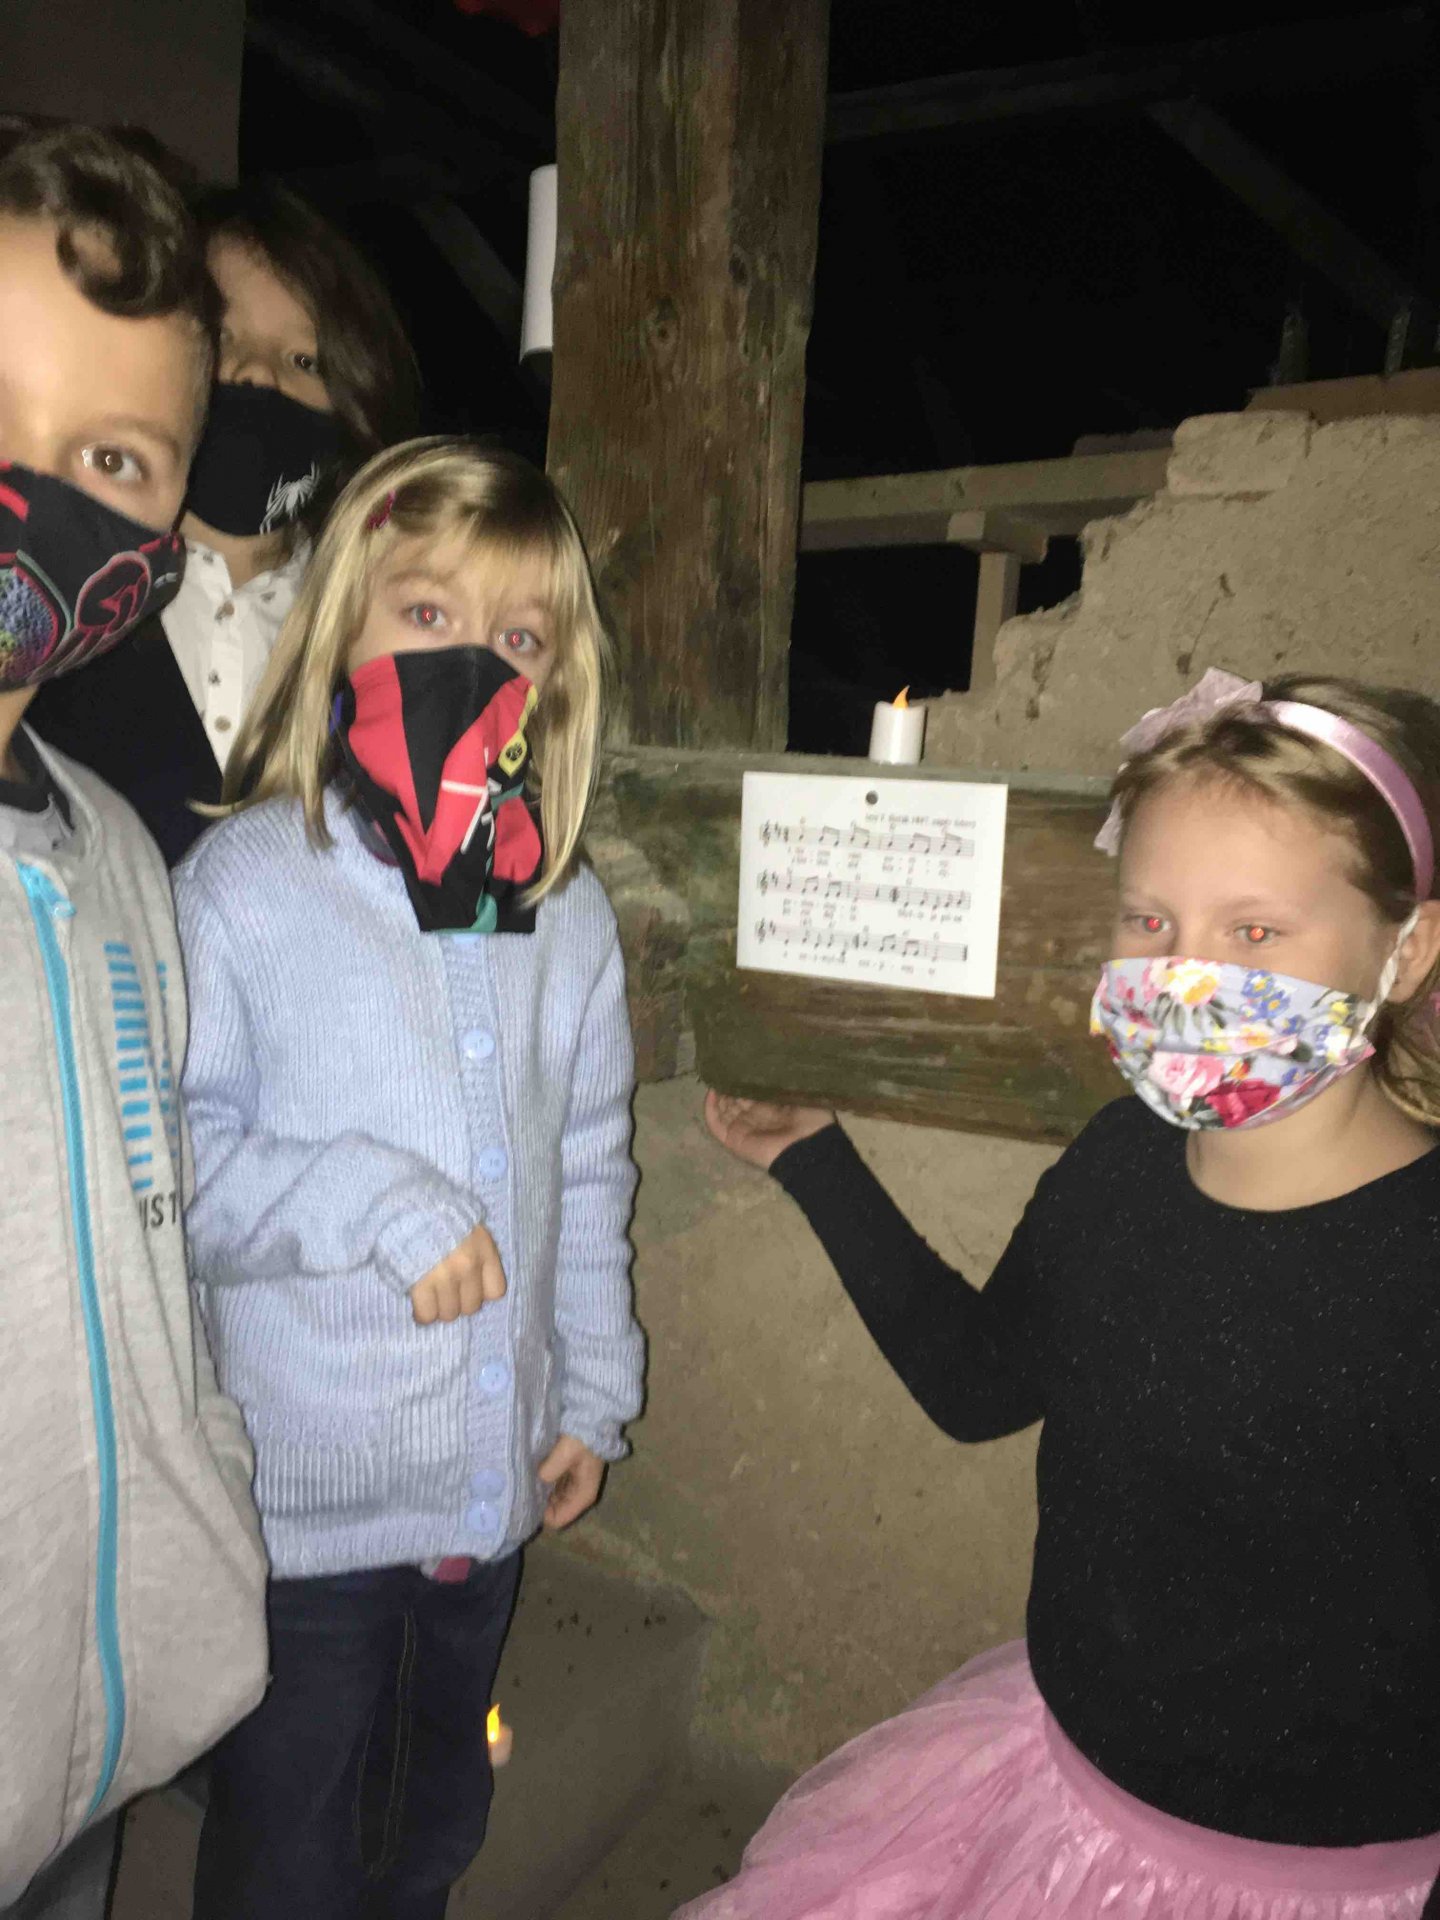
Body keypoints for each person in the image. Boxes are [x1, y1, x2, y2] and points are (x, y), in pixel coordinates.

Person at [692, 668, 1440, 1920]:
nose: (1182, 975)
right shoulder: (1119, 1161)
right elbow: (980, 1384)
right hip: (1056, 1800)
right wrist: (812, 1159)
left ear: (1405, 950)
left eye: (1255, 933)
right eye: (1150, 920)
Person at [174, 435, 645, 1919]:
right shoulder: (242, 887)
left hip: (481, 1502)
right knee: (287, 1847)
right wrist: (371, 1201)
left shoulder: (567, 916)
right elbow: (174, 1169)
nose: (474, 664)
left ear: (554, 685)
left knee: (431, 1822)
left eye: (519, 638)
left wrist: (590, 1393)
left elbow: (590, 1161)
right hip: (300, 1527)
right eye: (427, 614)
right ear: (340, 629)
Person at [0, 119, 267, 1917]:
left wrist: (205, 1490)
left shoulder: (118, 862)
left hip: (93, 1746)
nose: (30, 490)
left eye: (108, 458)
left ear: (157, 537)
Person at [31, 181, 420, 864]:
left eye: (304, 360)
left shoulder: (385, 634)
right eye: (221, 339)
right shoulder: (58, 592)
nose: (256, 376)